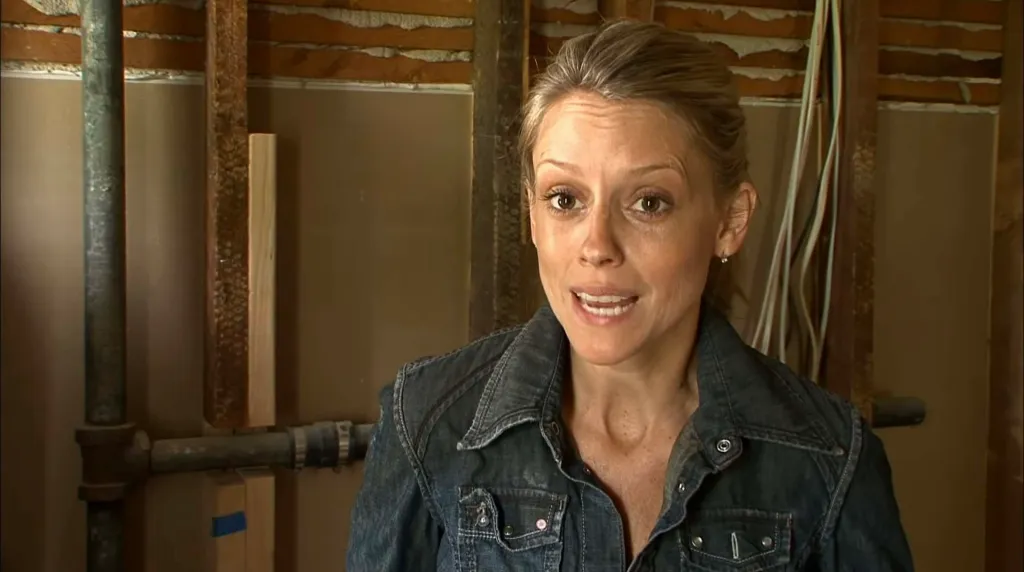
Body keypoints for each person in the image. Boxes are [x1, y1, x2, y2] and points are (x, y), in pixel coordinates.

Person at [346, 19, 913, 572]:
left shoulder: (829, 461)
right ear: (533, 216)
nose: (597, 246)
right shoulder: (426, 423)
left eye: (648, 202)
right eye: (565, 199)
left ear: (729, 220)